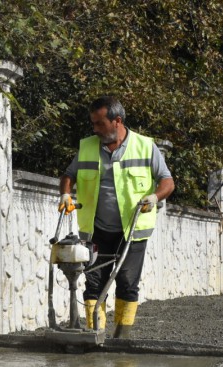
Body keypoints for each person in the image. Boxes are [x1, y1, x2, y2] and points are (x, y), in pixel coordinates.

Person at [59, 96, 175, 338]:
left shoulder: (145, 147)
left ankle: (122, 337)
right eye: (93, 124)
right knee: (93, 282)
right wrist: (65, 195)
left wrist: (155, 197)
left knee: (127, 283)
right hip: (96, 229)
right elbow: (69, 174)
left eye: (100, 124)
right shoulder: (88, 147)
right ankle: (95, 334)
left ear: (117, 121)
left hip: (132, 230)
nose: (95, 129)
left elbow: (167, 181)